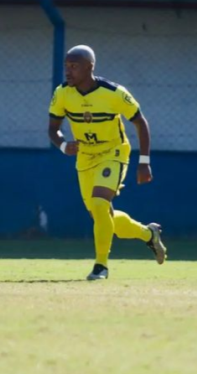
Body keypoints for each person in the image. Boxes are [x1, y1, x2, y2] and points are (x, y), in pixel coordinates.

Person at [48, 45, 166, 281]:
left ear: (89, 67)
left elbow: (140, 122)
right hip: (85, 157)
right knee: (102, 217)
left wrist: (144, 162)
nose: (68, 72)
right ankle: (148, 234)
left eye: (74, 67)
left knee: (100, 203)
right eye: (66, 67)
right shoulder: (62, 93)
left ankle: (101, 266)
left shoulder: (113, 93)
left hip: (113, 153)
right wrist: (63, 145)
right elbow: (53, 129)